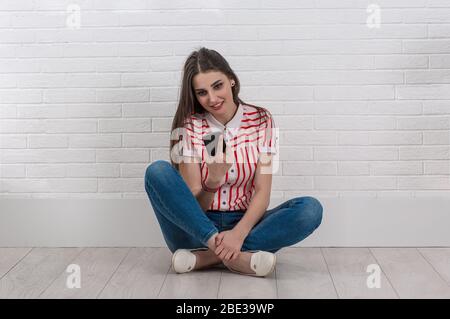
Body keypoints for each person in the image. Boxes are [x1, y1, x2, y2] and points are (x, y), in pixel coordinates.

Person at [144, 47, 323, 277]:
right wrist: (213, 182)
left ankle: (207, 258)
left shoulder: (262, 119)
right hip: (196, 229)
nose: (212, 98)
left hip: (246, 225)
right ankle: (233, 256)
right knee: (157, 171)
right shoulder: (189, 126)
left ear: (231, 80)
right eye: (202, 92)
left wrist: (237, 234)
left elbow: (262, 193)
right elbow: (191, 208)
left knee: (310, 209)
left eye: (217, 86)